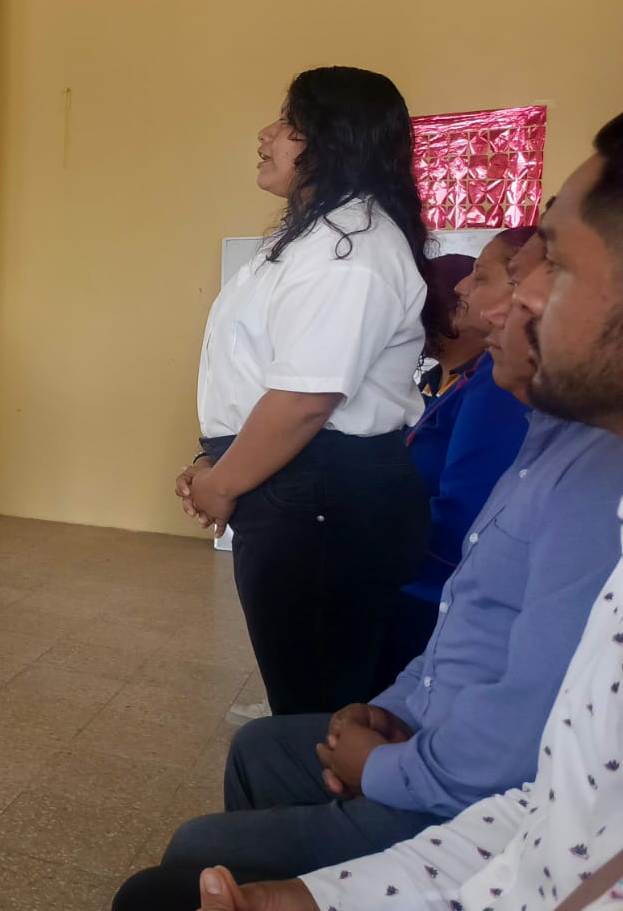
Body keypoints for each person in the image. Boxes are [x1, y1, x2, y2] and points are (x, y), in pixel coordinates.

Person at [182, 117, 623, 911]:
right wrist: (392, 710)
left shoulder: (358, 253)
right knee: (269, 742)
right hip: (436, 738)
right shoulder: (551, 432)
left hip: (454, 779)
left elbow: (522, 772)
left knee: (186, 863)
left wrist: (382, 767)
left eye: (548, 264)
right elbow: (472, 619)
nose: (496, 301)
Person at [181, 67, 443, 719]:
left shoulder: (349, 250)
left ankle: (304, 780)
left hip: (321, 489)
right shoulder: (315, 237)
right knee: (308, 693)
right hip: (295, 480)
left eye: (291, 125)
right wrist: (212, 458)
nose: (266, 135)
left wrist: (222, 482)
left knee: (321, 708)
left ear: (337, 141)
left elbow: (305, 400)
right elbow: (254, 372)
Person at [378, 226, 538, 679]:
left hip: (432, 591)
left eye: (480, 277)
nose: (464, 288)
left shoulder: (500, 383)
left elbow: (466, 510)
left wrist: (369, 554)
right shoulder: (471, 376)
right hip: (423, 582)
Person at [415, 253, 478, 400]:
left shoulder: (481, 387)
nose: (413, 322)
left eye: (424, 311)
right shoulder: (429, 381)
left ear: (458, 310)